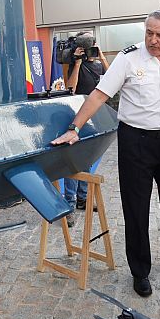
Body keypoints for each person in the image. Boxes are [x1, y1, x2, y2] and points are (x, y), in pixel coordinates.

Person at [51, 9, 160, 298]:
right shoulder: (128, 57)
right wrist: (75, 127)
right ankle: (140, 270)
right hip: (136, 141)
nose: (153, 39)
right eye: (149, 32)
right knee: (136, 207)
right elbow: (99, 95)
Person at [63, 32, 110, 226]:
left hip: (96, 119)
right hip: (79, 119)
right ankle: (69, 203)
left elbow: (110, 77)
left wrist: (101, 57)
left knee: (89, 161)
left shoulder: (98, 64)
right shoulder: (73, 64)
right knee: (73, 162)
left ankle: (82, 198)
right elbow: (70, 88)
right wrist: (77, 63)